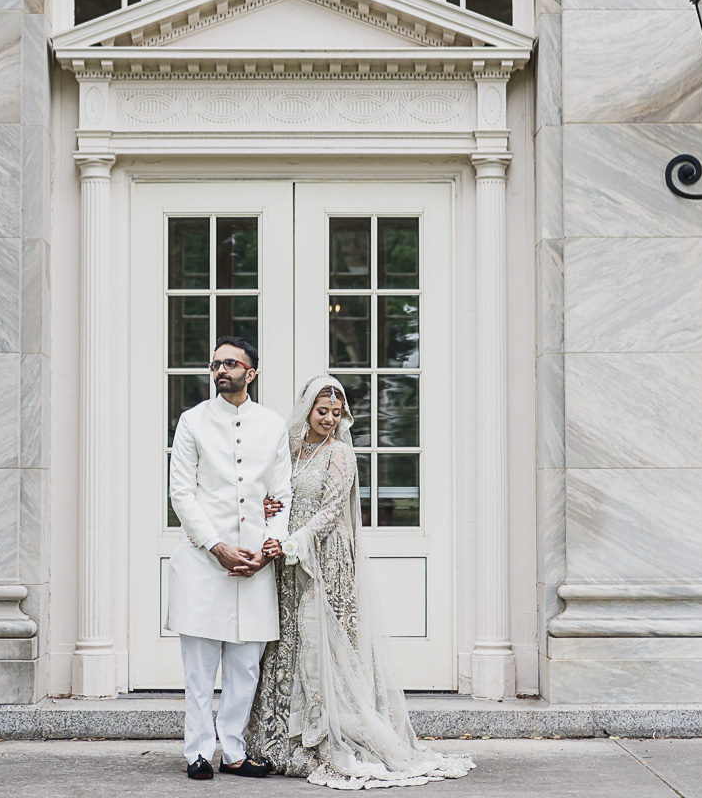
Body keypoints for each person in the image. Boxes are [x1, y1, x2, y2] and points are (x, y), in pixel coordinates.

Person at [246, 375, 475, 789]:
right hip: (287, 558)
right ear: (306, 409)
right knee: (287, 644)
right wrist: (270, 509)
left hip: (324, 559)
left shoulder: (340, 455)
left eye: (337, 413)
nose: (330, 420)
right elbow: (280, 493)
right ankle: (278, 735)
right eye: (322, 412)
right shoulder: (291, 450)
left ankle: (323, 734)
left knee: (321, 644)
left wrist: (293, 543)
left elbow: (331, 511)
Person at [168, 336, 293, 781]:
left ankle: (234, 751)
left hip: (255, 565)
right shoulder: (192, 421)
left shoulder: (272, 425)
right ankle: (198, 753)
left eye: (230, 364)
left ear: (250, 373)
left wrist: (267, 550)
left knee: (245, 669)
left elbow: (282, 495)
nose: (221, 370)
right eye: (216, 363)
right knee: (200, 673)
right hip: (204, 564)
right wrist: (217, 546)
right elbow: (181, 492)